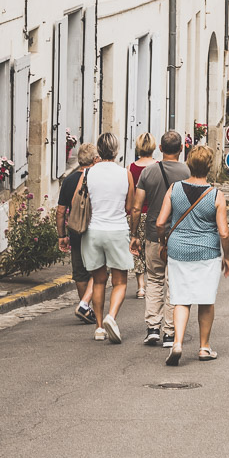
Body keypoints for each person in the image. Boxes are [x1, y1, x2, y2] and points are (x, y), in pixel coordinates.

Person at [155, 144, 229, 365]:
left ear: (189, 164)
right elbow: (224, 232)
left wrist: (163, 242)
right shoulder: (216, 195)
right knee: (206, 300)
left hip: (178, 250)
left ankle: (177, 342)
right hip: (207, 251)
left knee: (181, 298)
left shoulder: (174, 189)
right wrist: (227, 256)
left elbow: (161, 222)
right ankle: (204, 348)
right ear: (209, 166)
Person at [130, 129, 191, 348]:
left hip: (154, 235)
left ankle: (152, 328)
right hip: (180, 236)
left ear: (161, 149)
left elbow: (137, 208)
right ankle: (169, 332)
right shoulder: (188, 172)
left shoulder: (148, 173)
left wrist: (134, 235)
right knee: (174, 283)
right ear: (181, 149)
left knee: (154, 280)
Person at [80, 131, 136, 342]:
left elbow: (80, 201)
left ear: (98, 150)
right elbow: (130, 206)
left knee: (99, 280)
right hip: (117, 229)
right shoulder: (125, 174)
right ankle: (111, 317)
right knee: (120, 282)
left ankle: (98, 327)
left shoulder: (87, 174)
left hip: (93, 231)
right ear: (116, 150)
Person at [56, 141, 97, 323]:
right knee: (97, 270)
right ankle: (88, 305)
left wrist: (61, 235)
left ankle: (85, 306)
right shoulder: (97, 179)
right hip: (95, 229)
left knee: (80, 272)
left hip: (76, 231)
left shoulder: (69, 181)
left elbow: (60, 211)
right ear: (95, 159)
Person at [129, 131, 156, 299]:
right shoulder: (158, 166)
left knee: (137, 249)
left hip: (139, 213)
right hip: (155, 214)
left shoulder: (131, 168)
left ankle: (141, 287)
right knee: (152, 249)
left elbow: (131, 195)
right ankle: (154, 283)